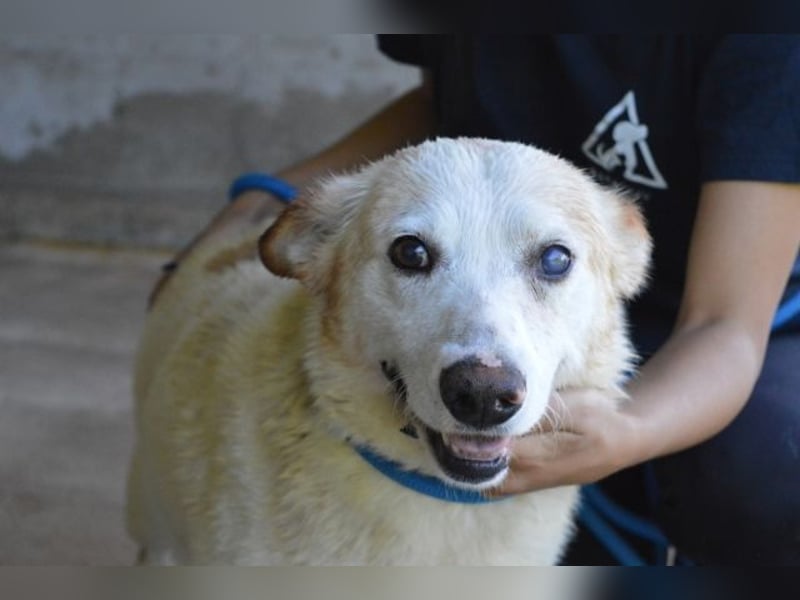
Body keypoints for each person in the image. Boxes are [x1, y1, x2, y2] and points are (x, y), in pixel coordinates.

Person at [154, 35, 800, 564]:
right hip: (496, 225)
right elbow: (434, 102)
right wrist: (263, 200)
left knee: (765, 473)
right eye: (412, 256)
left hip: (720, 310)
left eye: (550, 259)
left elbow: (725, 323)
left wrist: (629, 433)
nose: (484, 383)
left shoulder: (770, 30)